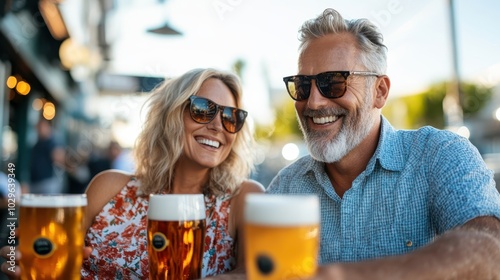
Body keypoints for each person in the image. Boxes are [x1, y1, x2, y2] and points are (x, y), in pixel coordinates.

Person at [266, 7, 500, 279]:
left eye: (334, 83)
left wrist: (335, 276)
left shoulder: (439, 155)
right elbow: (253, 269)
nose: (314, 102)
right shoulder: (285, 186)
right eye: (303, 86)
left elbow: (490, 250)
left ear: (380, 91)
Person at [0, 68, 264, 279]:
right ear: (171, 116)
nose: (218, 125)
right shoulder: (110, 186)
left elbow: (254, 272)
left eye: (231, 117)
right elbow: (55, 256)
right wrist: (32, 264)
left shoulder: (244, 199)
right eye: (203, 110)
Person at [28, 118, 66, 194]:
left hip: (47, 183)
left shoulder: (52, 142)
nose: (40, 129)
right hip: (35, 183)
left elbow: (60, 159)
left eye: (42, 127)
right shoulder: (37, 143)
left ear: (48, 127)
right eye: (39, 127)